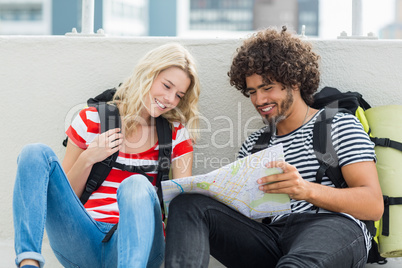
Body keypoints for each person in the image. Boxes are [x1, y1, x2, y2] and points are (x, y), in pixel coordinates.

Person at [164, 27, 384, 267]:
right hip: (272, 237)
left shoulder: (336, 124)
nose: (259, 100)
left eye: (268, 88)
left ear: (295, 81)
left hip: (332, 227)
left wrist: (305, 190)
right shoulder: (253, 146)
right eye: (252, 92)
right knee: (187, 204)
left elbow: (373, 205)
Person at [13, 42, 200, 268]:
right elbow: (67, 198)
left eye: (179, 95)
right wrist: (89, 157)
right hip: (81, 238)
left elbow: (179, 205)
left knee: (136, 184)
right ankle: (28, 262)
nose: (170, 99)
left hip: (138, 245)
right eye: (166, 86)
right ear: (148, 75)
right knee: (34, 152)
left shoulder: (175, 134)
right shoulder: (92, 119)